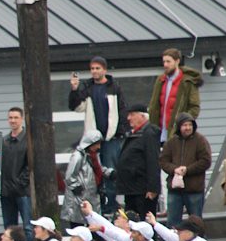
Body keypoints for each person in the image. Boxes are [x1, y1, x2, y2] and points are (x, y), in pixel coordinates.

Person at [69, 56, 128, 214]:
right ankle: (97, 204)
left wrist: (121, 131)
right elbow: (77, 108)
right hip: (93, 139)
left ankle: (111, 204)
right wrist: (74, 89)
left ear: (105, 70)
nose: (94, 71)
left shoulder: (114, 87)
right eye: (92, 68)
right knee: (93, 172)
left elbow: (122, 109)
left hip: (111, 137)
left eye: (98, 68)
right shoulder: (87, 86)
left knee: (110, 171)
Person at [159, 113, 211, 227]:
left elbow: (206, 161)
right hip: (175, 190)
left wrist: (188, 170)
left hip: (195, 189)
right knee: (172, 222)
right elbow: (163, 161)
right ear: (178, 127)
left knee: (196, 222)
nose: (187, 128)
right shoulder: (171, 142)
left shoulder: (200, 140)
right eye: (184, 125)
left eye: (189, 125)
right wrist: (174, 169)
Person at [114, 104, 161, 218]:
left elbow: (153, 161)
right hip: (131, 188)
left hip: (143, 190)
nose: (129, 118)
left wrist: (152, 188)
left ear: (142, 116)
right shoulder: (135, 133)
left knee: (144, 223)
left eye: (132, 115)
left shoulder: (149, 133)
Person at [148, 49, 202, 145]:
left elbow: (194, 107)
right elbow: (154, 106)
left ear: (177, 61)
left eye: (168, 61)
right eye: (164, 61)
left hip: (177, 133)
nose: (165, 65)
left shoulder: (187, 82)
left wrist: (184, 124)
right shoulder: (160, 80)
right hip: (159, 132)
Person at [0, 108, 32, 241]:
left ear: (22, 119)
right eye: (10, 118)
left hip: (23, 190)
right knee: (8, 226)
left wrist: (21, 182)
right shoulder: (4, 140)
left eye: (16, 117)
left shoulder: (28, 139)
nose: (13, 120)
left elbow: (30, 164)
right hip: (6, 190)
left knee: (28, 226)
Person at [62, 130, 104, 228]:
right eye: (96, 144)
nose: (98, 147)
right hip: (78, 199)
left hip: (91, 197)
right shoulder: (78, 156)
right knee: (78, 227)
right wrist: (76, 187)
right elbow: (69, 175)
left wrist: (109, 173)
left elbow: (98, 169)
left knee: (93, 225)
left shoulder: (94, 156)